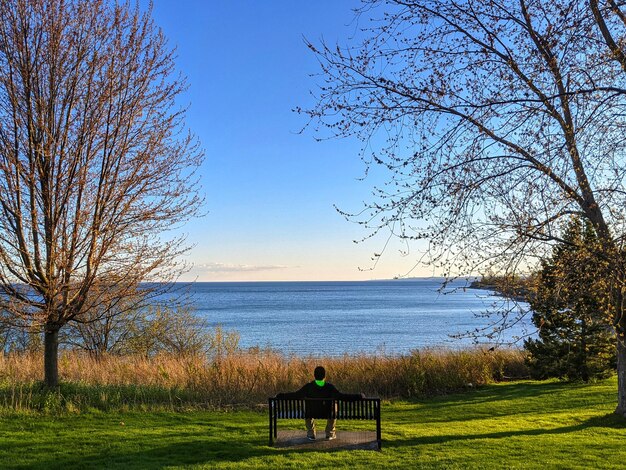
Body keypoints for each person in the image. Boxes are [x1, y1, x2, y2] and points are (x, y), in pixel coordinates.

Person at [276, 366, 364, 441]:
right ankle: (330, 433)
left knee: (307, 407)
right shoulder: (330, 387)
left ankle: (311, 434)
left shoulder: (308, 387)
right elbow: (342, 397)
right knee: (334, 404)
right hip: (327, 413)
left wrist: (280, 395)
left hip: (311, 412)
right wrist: (359, 396)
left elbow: (296, 395)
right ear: (324, 376)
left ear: (314, 375)